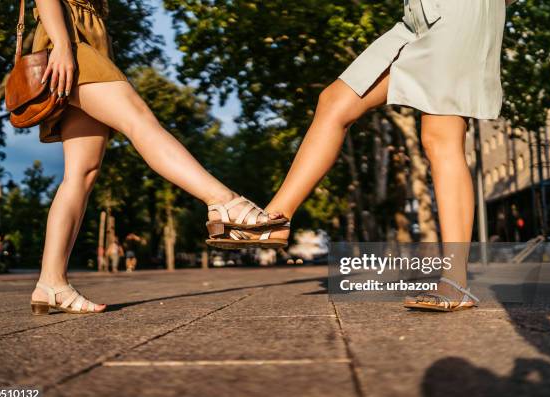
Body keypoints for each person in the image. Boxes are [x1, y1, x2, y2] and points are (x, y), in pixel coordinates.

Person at [209, 0, 515, 311]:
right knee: (335, 101)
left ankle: (455, 280)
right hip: (416, 16)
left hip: (460, 11)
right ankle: (276, 219)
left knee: (440, 139)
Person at [27, 0, 284, 315]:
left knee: (82, 172)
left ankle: (51, 282)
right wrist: (64, 46)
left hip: (89, 35)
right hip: (67, 36)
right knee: (139, 122)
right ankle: (224, 201)